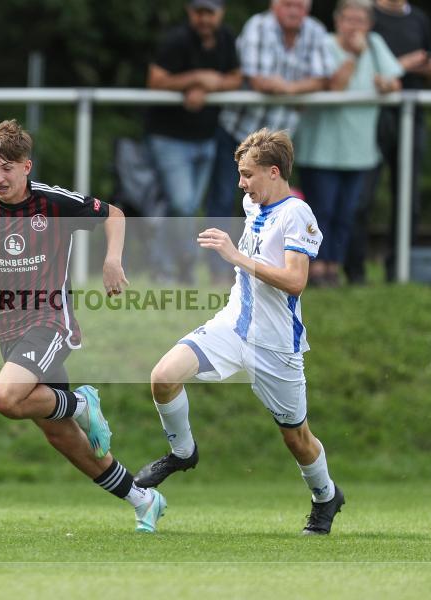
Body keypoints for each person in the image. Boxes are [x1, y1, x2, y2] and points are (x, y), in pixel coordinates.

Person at [0, 120, 166, 533]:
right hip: (9, 330)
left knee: (4, 398)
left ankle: (82, 403)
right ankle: (143, 499)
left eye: (7, 168)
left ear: (27, 167)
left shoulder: (52, 203)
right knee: (62, 437)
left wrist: (113, 259)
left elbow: (114, 214)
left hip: (51, 321)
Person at [135, 128, 345, 536]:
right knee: (163, 377)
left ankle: (325, 497)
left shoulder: (296, 214)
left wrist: (235, 256)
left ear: (273, 171)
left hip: (275, 345)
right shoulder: (254, 205)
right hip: (232, 326)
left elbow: (295, 281)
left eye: (247, 174)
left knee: (297, 438)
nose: (241, 183)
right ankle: (183, 453)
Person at [210, 0, 334, 284]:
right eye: (288, 4)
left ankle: (270, 266)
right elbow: (256, 78)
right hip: (239, 132)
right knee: (224, 198)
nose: (295, 10)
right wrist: (298, 89)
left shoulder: (315, 31)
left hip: (279, 141)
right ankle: (218, 271)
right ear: (275, 5)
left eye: (301, 5)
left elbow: (324, 79)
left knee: (275, 202)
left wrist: (288, 88)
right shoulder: (258, 26)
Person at [293, 0, 402, 286]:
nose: (354, 26)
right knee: (320, 213)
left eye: (360, 20)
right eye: (349, 19)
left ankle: (333, 268)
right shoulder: (324, 44)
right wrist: (353, 56)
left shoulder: (375, 44)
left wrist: (386, 85)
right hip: (321, 149)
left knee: (346, 214)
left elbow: (395, 83)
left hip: (360, 149)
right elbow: (335, 86)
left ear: (369, 24)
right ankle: (314, 270)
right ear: (337, 21)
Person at [145, 0, 242, 283]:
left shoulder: (227, 39)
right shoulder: (175, 40)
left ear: (221, 13)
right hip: (168, 138)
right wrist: (195, 79)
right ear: (190, 13)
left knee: (184, 208)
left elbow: (236, 77)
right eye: (198, 12)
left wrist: (211, 84)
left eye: (209, 12)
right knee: (184, 205)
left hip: (206, 137)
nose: (204, 18)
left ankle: (171, 266)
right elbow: (155, 80)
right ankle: (178, 264)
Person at [344, 0, 431, 283]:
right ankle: (354, 270)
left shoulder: (419, 18)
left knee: (408, 197)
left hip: (411, 117)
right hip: (370, 117)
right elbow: (367, 71)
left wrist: (427, 67)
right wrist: (405, 64)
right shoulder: (365, 16)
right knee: (361, 196)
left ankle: (399, 270)